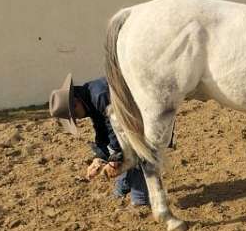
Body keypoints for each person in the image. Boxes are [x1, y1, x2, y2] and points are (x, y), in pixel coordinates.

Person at [49, 73, 170, 206]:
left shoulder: (100, 96)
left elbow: (115, 130)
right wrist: (99, 158)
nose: (77, 119)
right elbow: (101, 129)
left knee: (133, 149)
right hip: (132, 116)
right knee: (121, 152)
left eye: (75, 115)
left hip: (147, 110)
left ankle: (139, 198)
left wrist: (114, 158)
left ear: (76, 103)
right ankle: (123, 188)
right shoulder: (90, 97)